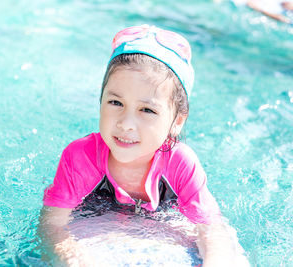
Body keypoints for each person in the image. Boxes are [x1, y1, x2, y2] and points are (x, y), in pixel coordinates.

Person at [39, 25, 249, 266]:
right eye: (116, 102)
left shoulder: (180, 163)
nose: (126, 124)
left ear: (176, 121)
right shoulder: (80, 157)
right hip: (96, 229)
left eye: (147, 110)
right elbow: (52, 226)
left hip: (162, 228)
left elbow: (212, 230)